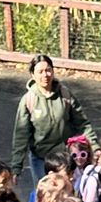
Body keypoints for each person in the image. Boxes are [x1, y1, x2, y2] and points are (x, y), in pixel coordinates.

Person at [11, 55, 86, 190]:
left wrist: (95, 148)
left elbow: (82, 123)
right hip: (40, 159)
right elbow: (21, 135)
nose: (45, 75)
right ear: (32, 75)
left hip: (64, 159)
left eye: (48, 70)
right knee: (45, 196)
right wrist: (16, 167)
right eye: (40, 72)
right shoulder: (28, 100)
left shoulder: (65, 95)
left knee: (66, 194)